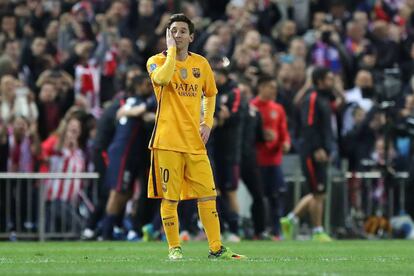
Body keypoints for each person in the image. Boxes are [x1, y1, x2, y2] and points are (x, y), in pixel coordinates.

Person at [146, 14, 245, 260]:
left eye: (182, 31)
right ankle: (174, 248)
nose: (177, 35)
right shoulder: (156, 61)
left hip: (195, 143)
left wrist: (207, 122)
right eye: (173, 31)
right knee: (170, 197)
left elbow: (210, 93)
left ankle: (216, 248)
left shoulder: (201, 64)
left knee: (209, 194)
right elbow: (163, 79)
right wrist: (170, 52)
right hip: (167, 142)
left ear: (191, 37)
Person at [280, 67, 337, 242]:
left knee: (318, 192)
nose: (332, 82)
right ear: (319, 80)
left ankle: (290, 219)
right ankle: (318, 231)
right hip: (312, 151)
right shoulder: (312, 98)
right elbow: (308, 125)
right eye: (329, 78)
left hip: (321, 150)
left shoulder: (324, 98)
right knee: (318, 192)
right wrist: (317, 148)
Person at [252, 75, 291, 239]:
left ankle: (276, 232)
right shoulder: (252, 107)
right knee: (259, 197)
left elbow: (284, 132)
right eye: (271, 87)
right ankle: (258, 231)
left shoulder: (278, 109)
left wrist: (286, 143)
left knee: (276, 196)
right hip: (257, 159)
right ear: (261, 87)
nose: (274, 91)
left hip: (274, 160)